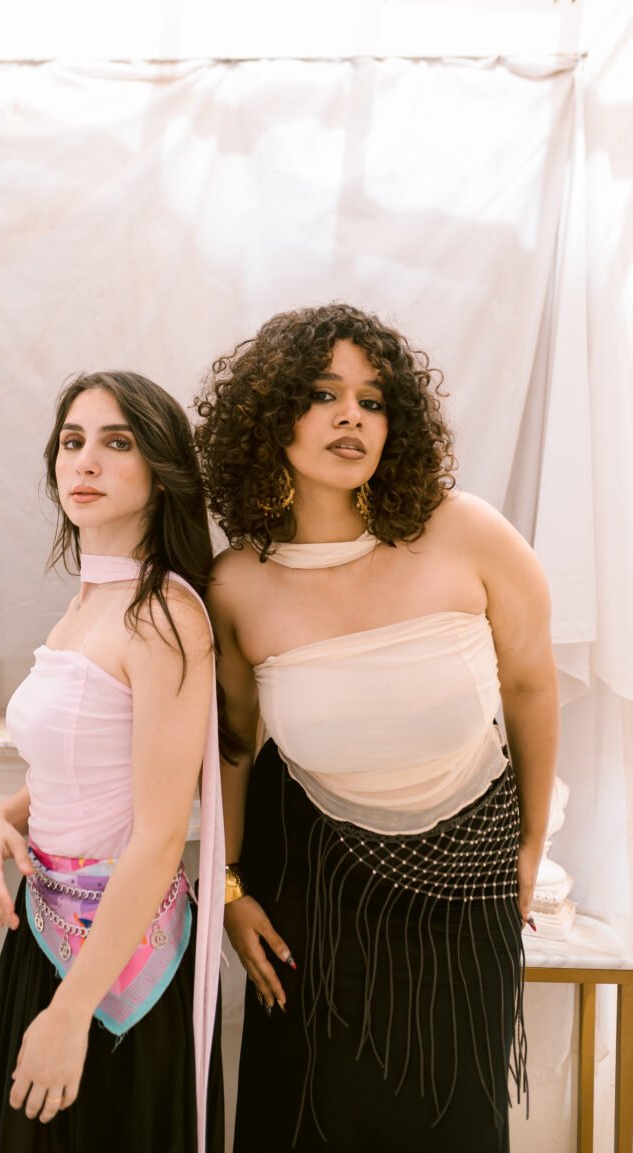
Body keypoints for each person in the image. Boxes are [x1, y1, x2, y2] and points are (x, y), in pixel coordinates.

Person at [194, 303, 558, 1153]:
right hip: (317, 892)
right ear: (269, 417)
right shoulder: (238, 582)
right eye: (323, 393)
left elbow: (532, 685)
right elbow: (234, 747)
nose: (351, 415)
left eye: (373, 399)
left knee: (455, 1122)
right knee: (314, 1122)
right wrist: (231, 890)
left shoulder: (469, 533)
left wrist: (532, 844)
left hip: (469, 883)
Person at [0, 371, 225, 1153]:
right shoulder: (85, 603)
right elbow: (79, 761)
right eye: (72, 441)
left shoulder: (166, 616)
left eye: (117, 443)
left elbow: (159, 834)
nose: (84, 460)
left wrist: (71, 1012)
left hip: (115, 969)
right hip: (41, 934)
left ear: (161, 471)